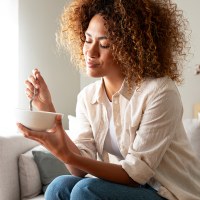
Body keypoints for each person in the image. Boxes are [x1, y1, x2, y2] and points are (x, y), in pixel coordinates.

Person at [17, 0, 200, 199]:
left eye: (104, 44)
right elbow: (78, 168)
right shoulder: (88, 97)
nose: (90, 52)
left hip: (168, 193)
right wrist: (48, 110)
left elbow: (135, 174)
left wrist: (68, 156)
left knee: (84, 190)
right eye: (88, 40)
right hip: (128, 189)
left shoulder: (160, 91)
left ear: (130, 49)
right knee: (58, 186)